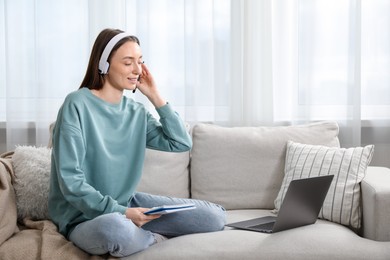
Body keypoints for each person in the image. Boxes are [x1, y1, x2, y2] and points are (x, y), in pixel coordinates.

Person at [48, 28, 226, 257]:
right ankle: (151, 238)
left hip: (127, 204)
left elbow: (181, 143)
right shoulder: (77, 104)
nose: (137, 70)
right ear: (103, 64)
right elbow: (71, 182)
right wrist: (123, 213)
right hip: (82, 218)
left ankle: (137, 236)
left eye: (140, 61)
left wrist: (155, 95)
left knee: (214, 217)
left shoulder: (136, 112)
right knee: (114, 230)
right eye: (128, 62)